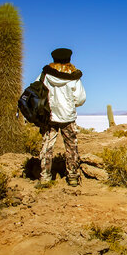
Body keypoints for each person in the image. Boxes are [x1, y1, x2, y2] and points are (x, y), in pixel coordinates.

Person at [38, 48, 86, 187]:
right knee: (71, 146)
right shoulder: (74, 77)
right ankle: (72, 176)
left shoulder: (45, 75)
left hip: (49, 115)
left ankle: (45, 176)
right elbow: (81, 98)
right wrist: (70, 104)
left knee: (47, 145)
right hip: (67, 116)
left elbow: (38, 90)